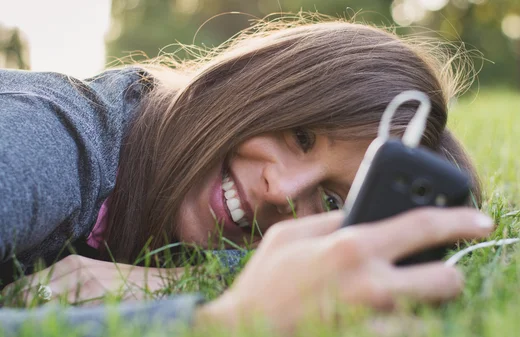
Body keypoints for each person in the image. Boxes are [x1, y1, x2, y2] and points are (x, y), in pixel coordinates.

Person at [0, 17, 492, 336]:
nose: (283, 189)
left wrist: (179, 279)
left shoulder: (186, 225)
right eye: (300, 136)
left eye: (332, 202)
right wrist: (218, 323)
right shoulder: (51, 137)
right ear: (256, 82)